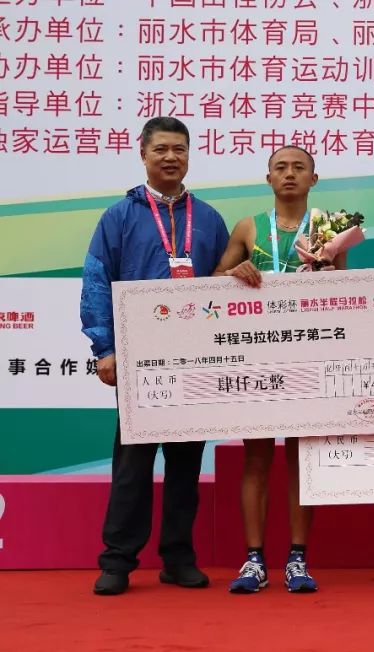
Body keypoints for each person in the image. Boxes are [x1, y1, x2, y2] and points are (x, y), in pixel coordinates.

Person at [81, 117, 230, 595]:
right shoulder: (119, 216)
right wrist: (105, 348)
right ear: (142, 154)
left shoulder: (208, 218)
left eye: (179, 149)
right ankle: (117, 561)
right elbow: (97, 280)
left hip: (196, 360)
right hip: (139, 359)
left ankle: (178, 558)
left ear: (189, 156)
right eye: (161, 149)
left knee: (186, 464)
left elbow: (224, 286)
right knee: (133, 464)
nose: (171, 157)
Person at [212, 146, 346, 594]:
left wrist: (327, 276)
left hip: (308, 357)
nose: (290, 174)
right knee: (256, 458)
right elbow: (210, 284)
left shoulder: (331, 228)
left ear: (314, 179)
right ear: (267, 178)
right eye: (280, 168)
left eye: (299, 168)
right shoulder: (248, 227)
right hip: (257, 358)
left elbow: (345, 293)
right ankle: (253, 560)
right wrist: (235, 272)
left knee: (300, 459)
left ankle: (297, 558)